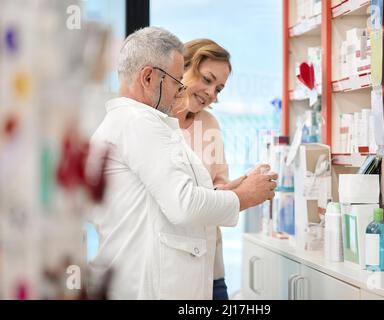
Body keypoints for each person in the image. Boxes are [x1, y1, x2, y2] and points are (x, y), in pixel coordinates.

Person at [87, 27, 277, 300]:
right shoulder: (140, 123)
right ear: (149, 77)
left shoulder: (146, 123)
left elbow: (166, 200)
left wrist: (222, 194)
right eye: (177, 81)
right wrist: (243, 197)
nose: (179, 91)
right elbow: (183, 204)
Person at [172, 39, 248, 300]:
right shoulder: (155, 123)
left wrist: (232, 190)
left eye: (219, 88)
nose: (212, 93)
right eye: (207, 79)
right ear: (183, 66)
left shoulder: (209, 125)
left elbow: (219, 185)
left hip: (210, 263)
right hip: (169, 269)